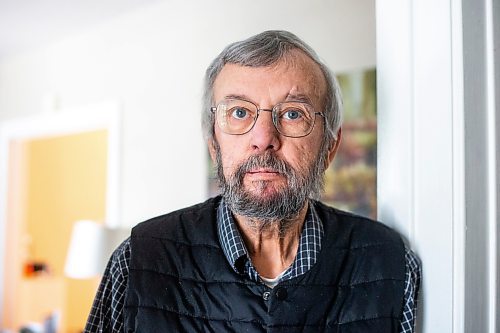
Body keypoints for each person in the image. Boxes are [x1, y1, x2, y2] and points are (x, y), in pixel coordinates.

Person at [85, 30, 421, 333]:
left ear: (329, 148)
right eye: (240, 113)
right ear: (214, 145)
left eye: (292, 114)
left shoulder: (391, 264)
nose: (263, 139)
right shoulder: (138, 261)